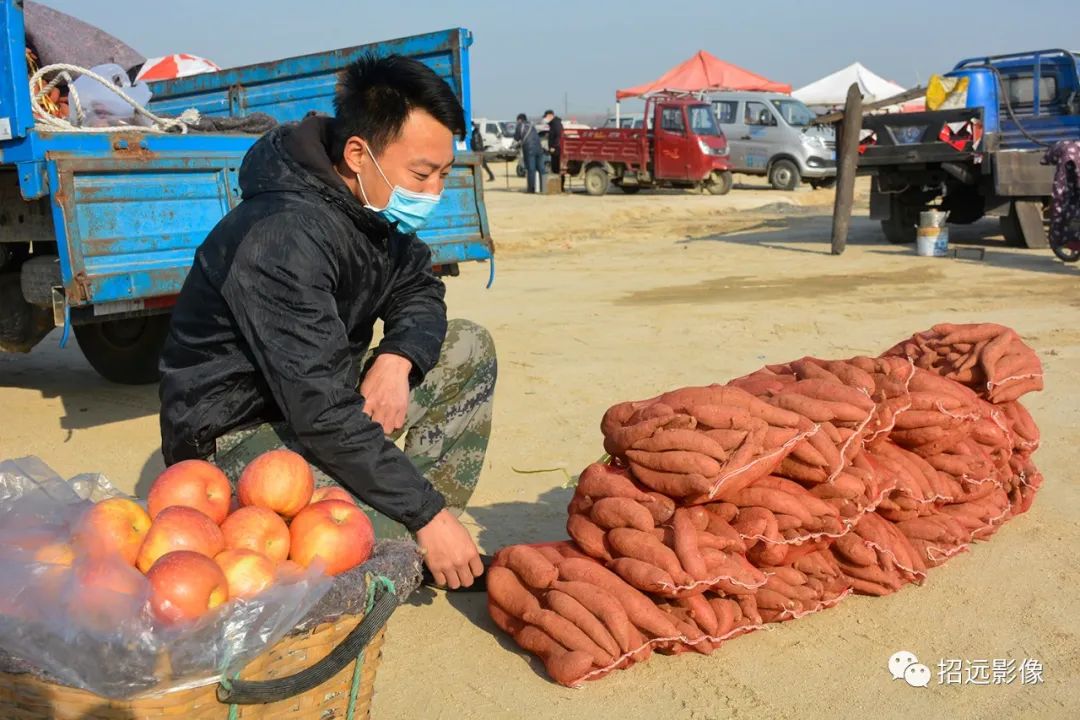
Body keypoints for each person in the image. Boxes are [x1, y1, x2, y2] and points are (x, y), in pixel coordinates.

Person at [158, 54, 496, 591]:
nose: (433, 192)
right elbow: (320, 411)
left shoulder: (373, 214)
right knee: (362, 538)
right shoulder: (283, 237)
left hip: (317, 405)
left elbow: (418, 288)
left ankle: (421, 537)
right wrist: (426, 513)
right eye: (421, 174)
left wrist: (398, 358)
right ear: (359, 154)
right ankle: (420, 537)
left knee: (466, 346)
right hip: (238, 434)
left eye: (444, 174)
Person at [514, 112, 545, 193]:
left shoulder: (520, 125)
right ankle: (544, 188)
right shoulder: (532, 125)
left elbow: (516, 138)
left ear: (519, 120)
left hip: (529, 149)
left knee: (531, 169)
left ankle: (531, 189)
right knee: (541, 169)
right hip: (539, 148)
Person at [543, 109, 564, 191]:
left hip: (557, 151)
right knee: (555, 169)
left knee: (557, 169)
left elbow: (559, 136)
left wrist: (554, 147)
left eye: (546, 117)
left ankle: (560, 187)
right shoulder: (552, 124)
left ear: (550, 116)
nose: (545, 119)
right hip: (554, 151)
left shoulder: (556, 124)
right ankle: (558, 187)